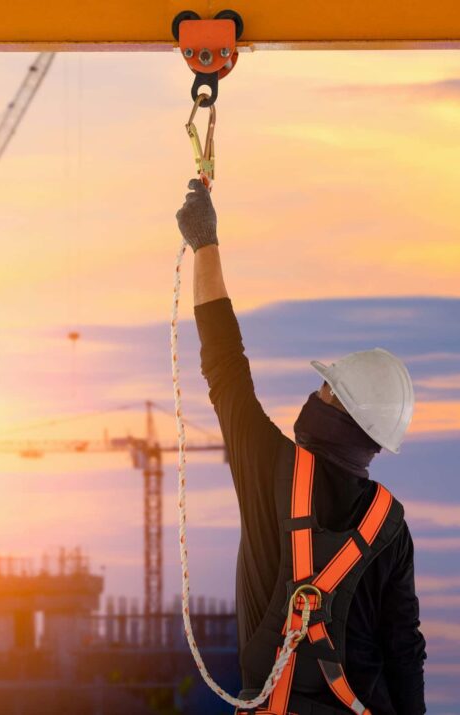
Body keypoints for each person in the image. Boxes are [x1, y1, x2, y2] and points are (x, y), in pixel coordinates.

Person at [175, 179, 426, 715]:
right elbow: (404, 650)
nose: (313, 393)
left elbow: (225, 365)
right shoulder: (390, 522)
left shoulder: (272, 466)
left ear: (336, 407)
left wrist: (205, 243)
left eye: (324, 387)